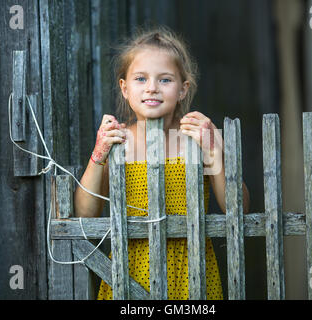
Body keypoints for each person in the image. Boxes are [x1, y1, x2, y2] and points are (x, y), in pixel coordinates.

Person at [73, 26, 250, 300]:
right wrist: (98, 155)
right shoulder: (117, 142)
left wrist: (216, 153)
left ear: (183, 89)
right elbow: (85, 215)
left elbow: (238, 208)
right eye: (141, 79)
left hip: (192, 272)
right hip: (127, 271)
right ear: (125, 88)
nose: (152, 87)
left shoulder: (196, 139)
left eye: (165, 80)